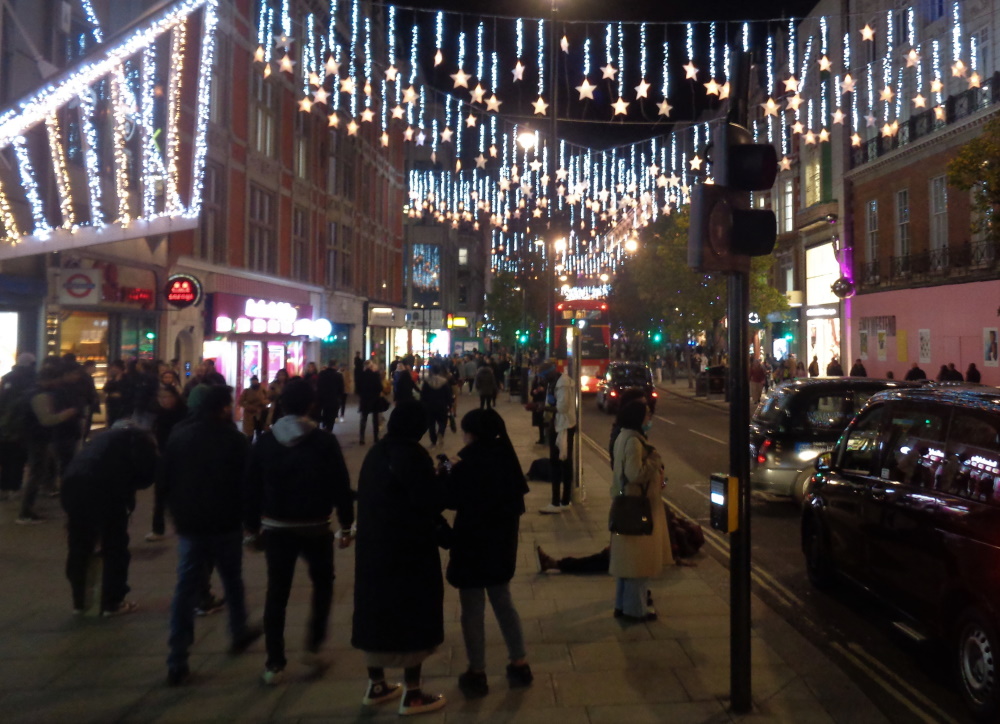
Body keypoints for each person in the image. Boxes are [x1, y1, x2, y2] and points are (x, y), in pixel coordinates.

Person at [244, 378, 356, 685]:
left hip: (277, 527)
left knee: (276, 592)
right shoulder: (323, 441)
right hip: (316, 526)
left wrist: (251, 530)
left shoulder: (265, 442)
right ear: (311, 404)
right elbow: (340, 485)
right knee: (323, 585)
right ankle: (313, 645)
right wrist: (346, 524)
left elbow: (251, 488)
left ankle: (274, 661)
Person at [352, 402, 447, 716]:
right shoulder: (412, 455)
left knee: (374, 613)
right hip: (408, 550)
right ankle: (414, 694)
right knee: (412, 615)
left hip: (372, 549)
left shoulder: (375, 454)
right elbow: (427, 502)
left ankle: (376, 685)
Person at [161, 385, 260, 686]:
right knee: (232, 579)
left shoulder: (178, 435)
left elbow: (165, 479)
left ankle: (178, 657)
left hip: (191, 524)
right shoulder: (233, 439)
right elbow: (248, 484)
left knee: (186, 587)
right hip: (224, 522)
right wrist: (251, 523)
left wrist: (174, 515)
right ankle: (238, 631)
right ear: (220, 407)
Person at [442, 409, 532, 699]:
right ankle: (519, 662)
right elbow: (517, 502)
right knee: (503, 602)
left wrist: (446, 472)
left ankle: (477, 671)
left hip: (471, 543)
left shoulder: (467, 460)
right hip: (501, 545)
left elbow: (451, 499)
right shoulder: (506, 458)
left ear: (473, 433)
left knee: (472, 610)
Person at [61, 416, 158, 615]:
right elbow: (148, 473)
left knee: (80, 544)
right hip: (105, 490)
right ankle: (112, 602)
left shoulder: (99, 439)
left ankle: (80, 602)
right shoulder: (140, 439)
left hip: (72, 486)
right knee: (115, 545)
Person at [610, 399, 672, 621]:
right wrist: (654, 461)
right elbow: (635, 474)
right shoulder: (634, 442)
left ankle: (621, 605)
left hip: (627, 505)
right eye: (646, 415)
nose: (649, 419)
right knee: (638, 563)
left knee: (626, 563)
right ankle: (635, 610)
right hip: (638, 507)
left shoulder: (623, 437)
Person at [18, 359, 79, 524]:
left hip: (34, 437)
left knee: (37, 472)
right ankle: (25, 512)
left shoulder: (32, 392)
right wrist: (66, 414)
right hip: (37, 438)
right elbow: (46, 420)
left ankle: (27, 510)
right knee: (35, 473)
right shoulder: (40, 395)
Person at [146, 385, 188, 542]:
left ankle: (183, 524)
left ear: (175, 397)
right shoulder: (160, 414)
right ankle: (158, 528)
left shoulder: (183, 414)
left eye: (166, 397)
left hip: (181, 459)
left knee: (181, 493)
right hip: (163, 459)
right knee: (160, 494)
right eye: (160, 397)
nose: (163, 400)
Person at [539, 363, 578, 514]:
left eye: (543, 376)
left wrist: (544, 408)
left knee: (559, 463)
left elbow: (562, 407)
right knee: (561, 462)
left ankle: (558, 502)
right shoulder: (553, 382)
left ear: (551, 373)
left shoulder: (562, 384)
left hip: (564, 427)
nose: (542, 379)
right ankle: (563, 500)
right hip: (557, 425)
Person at [0, 352, 36, 500]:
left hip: (5, 424)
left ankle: (4, 487)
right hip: (23, 424)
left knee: (6, 457)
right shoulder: (31, 378)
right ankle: (14, 487)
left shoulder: (8, 377)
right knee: (19, 458)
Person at [421, 364, 453, 448]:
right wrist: (450, 404)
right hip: (442, 405)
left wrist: (422, 405)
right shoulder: (444, 381)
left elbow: (423, 395)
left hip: (429, 405)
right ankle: (441, 432)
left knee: (431, 423)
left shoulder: (427, 382)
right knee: (443, 421)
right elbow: (448, 394)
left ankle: (433, 440)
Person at [357, 361, 384, 445]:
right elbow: (380, 387)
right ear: (371, 366)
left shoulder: (361, 375)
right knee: (375, 420)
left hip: (365, 400)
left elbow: (358, 388)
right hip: (374, 400)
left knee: (363, 419)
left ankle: (362, 438)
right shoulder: (375, 375)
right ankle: (376, 437)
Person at [316, 359, 346, 430]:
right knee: (331, 418)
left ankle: (323, 425)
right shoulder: (338, 375)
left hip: (322, 399)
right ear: (335, 366)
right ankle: (328, 431)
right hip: (333, 400)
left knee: (323, 413)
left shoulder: (321, 374)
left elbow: (318, 385)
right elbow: (341, 389)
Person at [528, 367, 548, 444]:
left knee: (544, 421)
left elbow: (549, 391)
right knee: (540, 422)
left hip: (544, 403)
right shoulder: (535, 379)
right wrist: (534, 391)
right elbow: (531, 393)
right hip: (537, 403)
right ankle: (542, 438)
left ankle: (545, 438)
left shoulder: (546, 380)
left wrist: (543, 390)